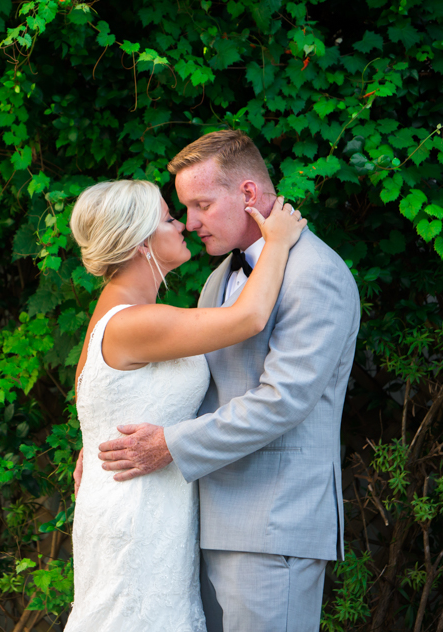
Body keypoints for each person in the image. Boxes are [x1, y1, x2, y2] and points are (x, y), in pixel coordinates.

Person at [91, 129, 361, 632]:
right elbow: (190, 390)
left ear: (249, 195)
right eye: (183, 210)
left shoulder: (314, 273)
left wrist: (167, 444)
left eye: (201, 205)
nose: (190, 222)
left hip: (273, 524)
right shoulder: (220, 280)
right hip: (198, 519)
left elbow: (282, 401)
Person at [65, 177, 306, 631]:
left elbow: (100, 402)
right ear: (140, 244)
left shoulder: (115, 312)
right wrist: (278, 241)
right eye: (169, 218)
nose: (183, 226)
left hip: (144, 500)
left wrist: (90, 446)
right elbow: (250, 317)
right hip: (137, 512)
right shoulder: (134, 321)